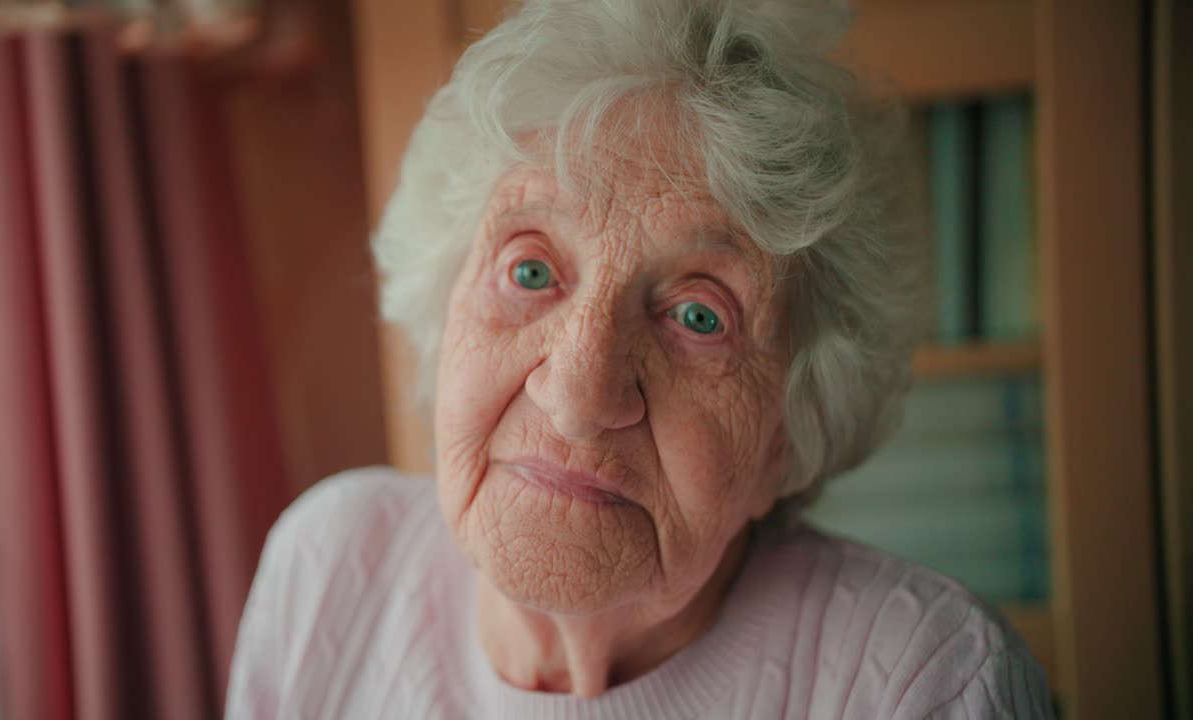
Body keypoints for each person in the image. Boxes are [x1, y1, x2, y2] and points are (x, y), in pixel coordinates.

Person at [226, 0, 1054, 717]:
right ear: (445, 316)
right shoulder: (331, 567)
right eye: (531, 270)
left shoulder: (926, 683)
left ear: (791, 435)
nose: (579, 395)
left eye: (700, 315)